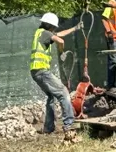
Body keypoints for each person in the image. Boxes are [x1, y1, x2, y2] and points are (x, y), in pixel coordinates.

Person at [30, 12, 79, 140]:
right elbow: (60, 40)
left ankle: (48, 127)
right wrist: (62, 51)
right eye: (54, 27)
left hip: (36, 72)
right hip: (42, 72)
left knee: (51, 96)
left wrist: (75, 28)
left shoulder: (40, 33)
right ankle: (69, 124)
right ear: (50, 26)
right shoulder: (46, 33)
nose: (55, 29)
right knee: (63, 93)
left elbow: (59, 35)